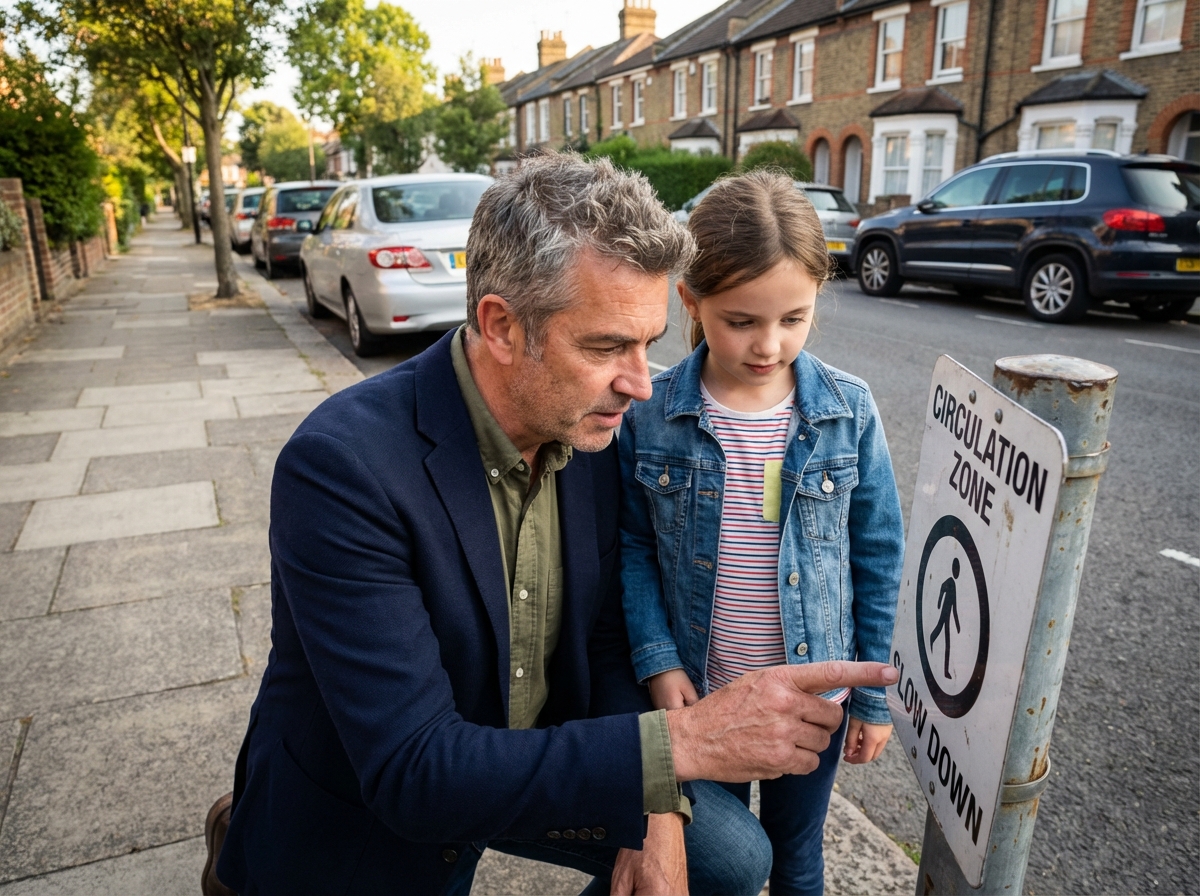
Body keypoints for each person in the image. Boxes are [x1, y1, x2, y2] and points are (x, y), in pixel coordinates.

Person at [206, 154, 899, 896]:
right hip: (386, 797)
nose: (639, 384)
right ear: (501, 325)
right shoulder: (343, 468)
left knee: (729, 861)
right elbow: (415, 771)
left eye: (650, 344)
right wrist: (676, 748)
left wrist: (655, 807)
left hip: (541, 738)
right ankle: (238, 840)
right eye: (605, 347)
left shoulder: (594, 429)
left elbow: (605, 638)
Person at [619, 170, 906, 896]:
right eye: (741, 321)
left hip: (818, 699)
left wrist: (872, 701)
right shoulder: (651, 416)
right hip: (704, 696)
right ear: (691, 299)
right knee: (725, 861)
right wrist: (658, 661)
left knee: (796, 858)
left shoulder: (849, 411)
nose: (768, 344)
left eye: (793, 318)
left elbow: (877, 554)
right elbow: (634, 546)